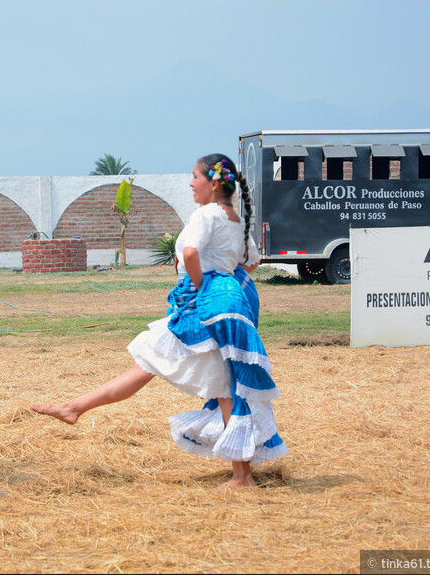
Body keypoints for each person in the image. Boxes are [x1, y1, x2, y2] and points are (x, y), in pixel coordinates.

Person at [32, 154, 287, 488]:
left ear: (212, 183)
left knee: (224, 389)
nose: (190, 183)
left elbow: (192, 253)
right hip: (215, 307)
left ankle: (243, 477)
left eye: (195, 176)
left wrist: (200, 284)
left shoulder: (206, 214)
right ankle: (75, 407)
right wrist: (220, 278)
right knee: (150, 363)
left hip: (202, 310)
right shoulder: (235, 219)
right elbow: (250, 262)